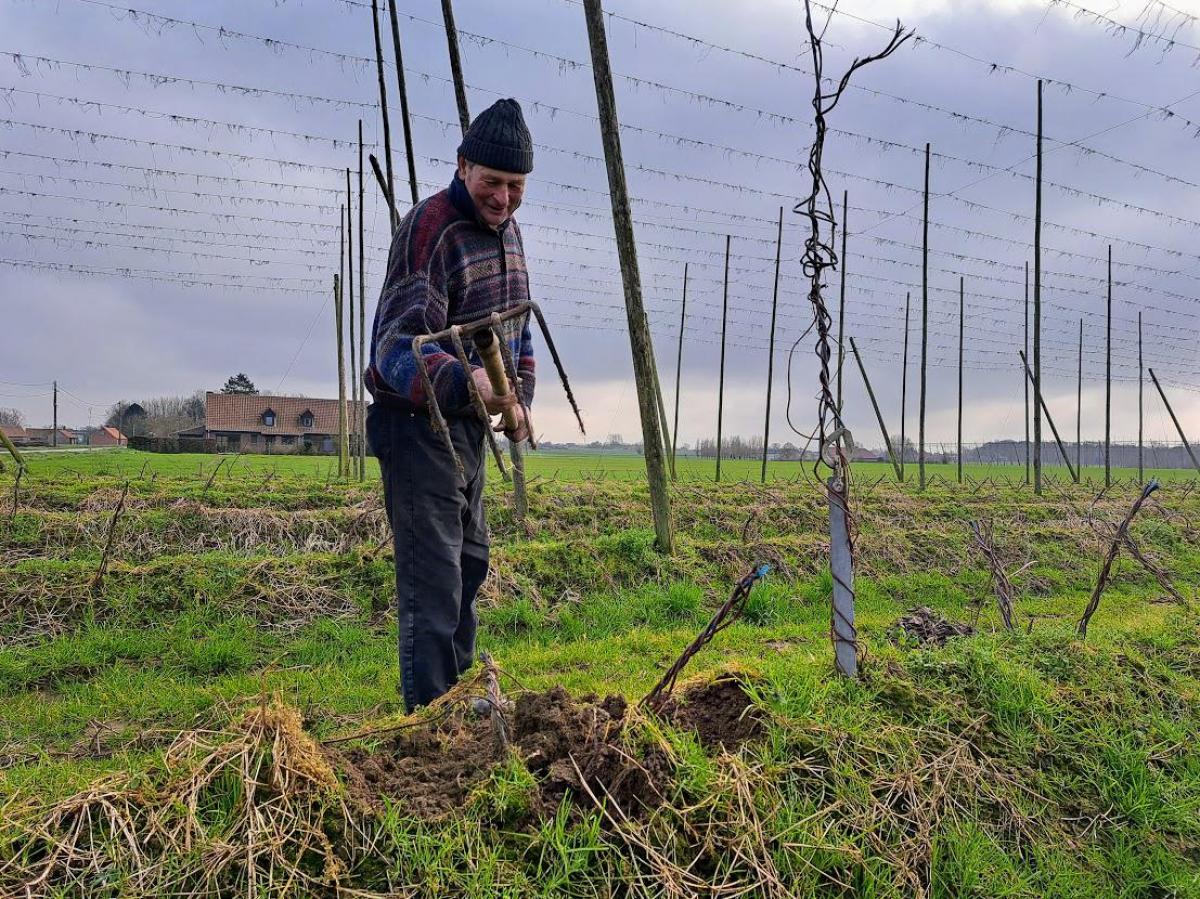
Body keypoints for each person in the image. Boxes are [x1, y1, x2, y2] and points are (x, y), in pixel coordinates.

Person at [365, 98, 535, 712]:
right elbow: (398, 350)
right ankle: (427, 726)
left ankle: (454, 703)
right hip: (414, 427)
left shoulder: (509, 235)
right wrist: (471, 385)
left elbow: (519, 331)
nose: (504, 199)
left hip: (464, 431)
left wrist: (521, 399)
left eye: (516, 187)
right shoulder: (429, 229)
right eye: (493, 183)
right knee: (433, 581)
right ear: (463, 166)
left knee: (469, 565)